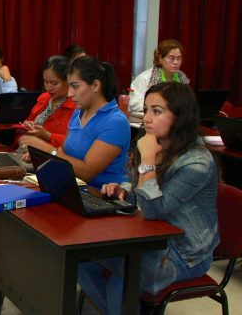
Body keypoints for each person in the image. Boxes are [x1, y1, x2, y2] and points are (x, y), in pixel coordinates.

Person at [78, 82, 219, 315]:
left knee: (121, 281)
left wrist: (148, 159)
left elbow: (153, 209)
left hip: (184, 253)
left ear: (180, 116)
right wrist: (122, 188)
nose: (146, 119)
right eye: (145, 110)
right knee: (82, 260)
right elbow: (136, 184)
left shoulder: (197, 162)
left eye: (157, 111)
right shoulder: (153, 143)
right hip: (147, 238)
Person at [20, 56, 129, 189]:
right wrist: (41, 156)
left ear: (95, 85)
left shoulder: (115, 122)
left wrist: (48, 151)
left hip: (99, 195)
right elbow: (64, 150)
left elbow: (87, 172)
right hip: (72, 186)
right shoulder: (79, 112)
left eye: (75, 86)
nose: (70, 94)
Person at [19, 56, 76, 148]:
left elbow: (76, 143)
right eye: (45, 82)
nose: (49, 88)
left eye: (54, 83)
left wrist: (48, 136)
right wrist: (27, 125)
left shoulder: (76, 105)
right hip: (27, 148)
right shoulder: (44, 97)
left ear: (68, 81)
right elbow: (29, 121)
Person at [129, 39, 190, 116]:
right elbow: (133, 104)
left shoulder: (182, 78)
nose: (175, 62)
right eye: (171, 58)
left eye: (179, 58)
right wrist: (163, 105)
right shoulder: (145, 78)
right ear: (160, 58)